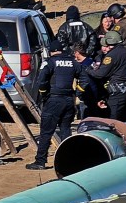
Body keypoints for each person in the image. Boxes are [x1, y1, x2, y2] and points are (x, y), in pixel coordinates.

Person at [26, 40, 85, 170]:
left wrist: (44, 94)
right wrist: (77, 92)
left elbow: (42, 81)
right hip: (69, 100)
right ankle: (69, 161)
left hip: (54, 100)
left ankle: (40, 161)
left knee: (46, 132)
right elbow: (84, 76)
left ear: (51, 51)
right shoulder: (72, 61)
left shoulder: (49, 62)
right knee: (65, 130)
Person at [87, 31, 126, 122]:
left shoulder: (112, 55)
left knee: (113, 120)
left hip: (118, 90)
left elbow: (100, 74)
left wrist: (88, 70)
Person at [72, 43, 107, 119]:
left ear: (77, 53)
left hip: (86, 95)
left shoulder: (82, 65)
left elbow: (85, 81)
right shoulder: (91, 62)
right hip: (95, 94)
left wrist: (79, 93)